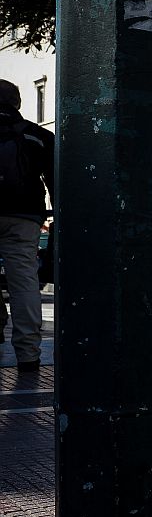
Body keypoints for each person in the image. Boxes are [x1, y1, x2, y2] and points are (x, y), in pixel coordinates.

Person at [0, 79, 55, 373]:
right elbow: (55, 179)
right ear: (17, 103)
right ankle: (28, 354)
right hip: (23, 218)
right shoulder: (37, 136)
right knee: (23, 284)